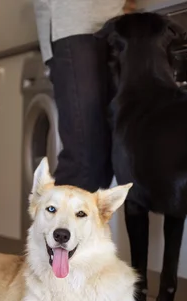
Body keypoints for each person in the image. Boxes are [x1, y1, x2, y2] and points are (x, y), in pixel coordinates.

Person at [32, 0, 136, 192]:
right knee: (83, 162)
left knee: (108, 165)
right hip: (73, 27)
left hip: (115, 23)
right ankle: (57, 222)